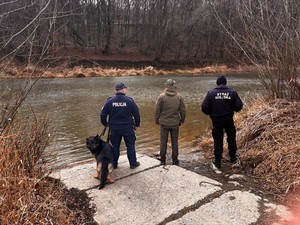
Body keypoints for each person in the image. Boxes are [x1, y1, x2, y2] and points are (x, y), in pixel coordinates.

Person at [201, 75, 243, 169]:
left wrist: (211, 113)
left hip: (216, 120)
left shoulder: (211, 93)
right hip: (228, 119)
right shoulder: (232, 92)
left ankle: (217, 161)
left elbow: (204, 108)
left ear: (217, 83)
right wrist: (231, 108)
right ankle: (233, 157)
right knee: (231, 138)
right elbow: (239, 106)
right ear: (225, 83)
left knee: (218, 140)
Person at [100, 82, 141, 169]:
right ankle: (133, 164)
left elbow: (102, 114)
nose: (126, 90)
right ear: (123, 90)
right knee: (130, 145)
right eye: (125, 89)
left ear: (116, 90)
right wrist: (137, 124)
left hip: (114, 129)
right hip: (128, 128)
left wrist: (105, 124)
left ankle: (114, 164)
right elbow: (137, 114)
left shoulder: (109, 101)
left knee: (115, 146)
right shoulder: (130, 100)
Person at [155, 79, 186, 165]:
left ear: (166, 86)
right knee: (174, 142)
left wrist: (157, 120)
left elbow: (157, 110)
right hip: (175, 123)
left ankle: (162, 159)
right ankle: (175, 160)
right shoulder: (179, 97)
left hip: (164, 123)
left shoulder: (161, 97)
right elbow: (183, 110)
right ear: (173, 86)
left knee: (163, 141)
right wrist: (182, 120)